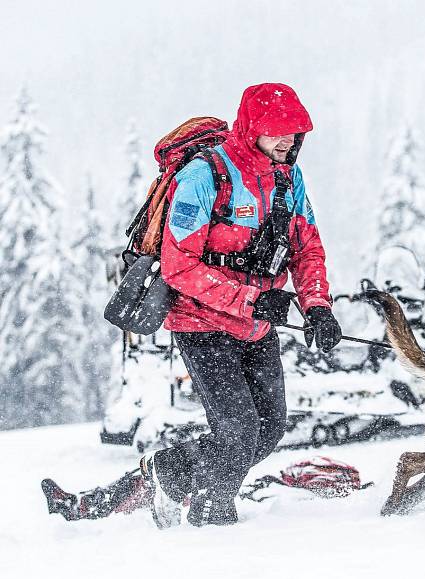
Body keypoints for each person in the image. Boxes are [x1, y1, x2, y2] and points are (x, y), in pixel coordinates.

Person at [140, 83, 342, 527]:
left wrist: (317, 306)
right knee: (237, 433)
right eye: (279, 133)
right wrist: (252, 299)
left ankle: (168, 474)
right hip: (201, 322)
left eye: (296, 134)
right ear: (253, 130)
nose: (289, 142)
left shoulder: (290, 176)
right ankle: (214, 521)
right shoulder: (204, 176)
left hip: (256, 326)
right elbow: (179, 266)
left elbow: (306, 246)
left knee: (268, 431)